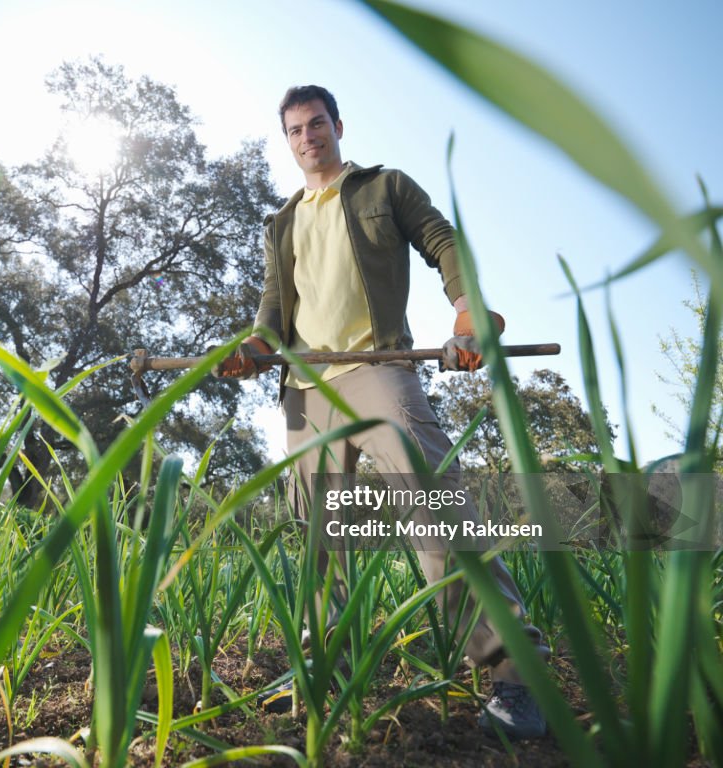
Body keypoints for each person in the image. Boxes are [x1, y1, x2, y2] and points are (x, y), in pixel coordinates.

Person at [214, 85, 549, 739]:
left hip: (378, 373)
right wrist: (252, 350)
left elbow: (439, 238)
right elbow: (272, 314)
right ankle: (325, 671)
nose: (308, 137)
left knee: (437, 511)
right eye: (295, 130)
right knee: (317, 544)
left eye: (317, 124)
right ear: (287, 140)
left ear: (338, 126)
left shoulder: (383, 188)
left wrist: (465, 310)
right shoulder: (279, 225)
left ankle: (515, 675)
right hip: (307, 392)